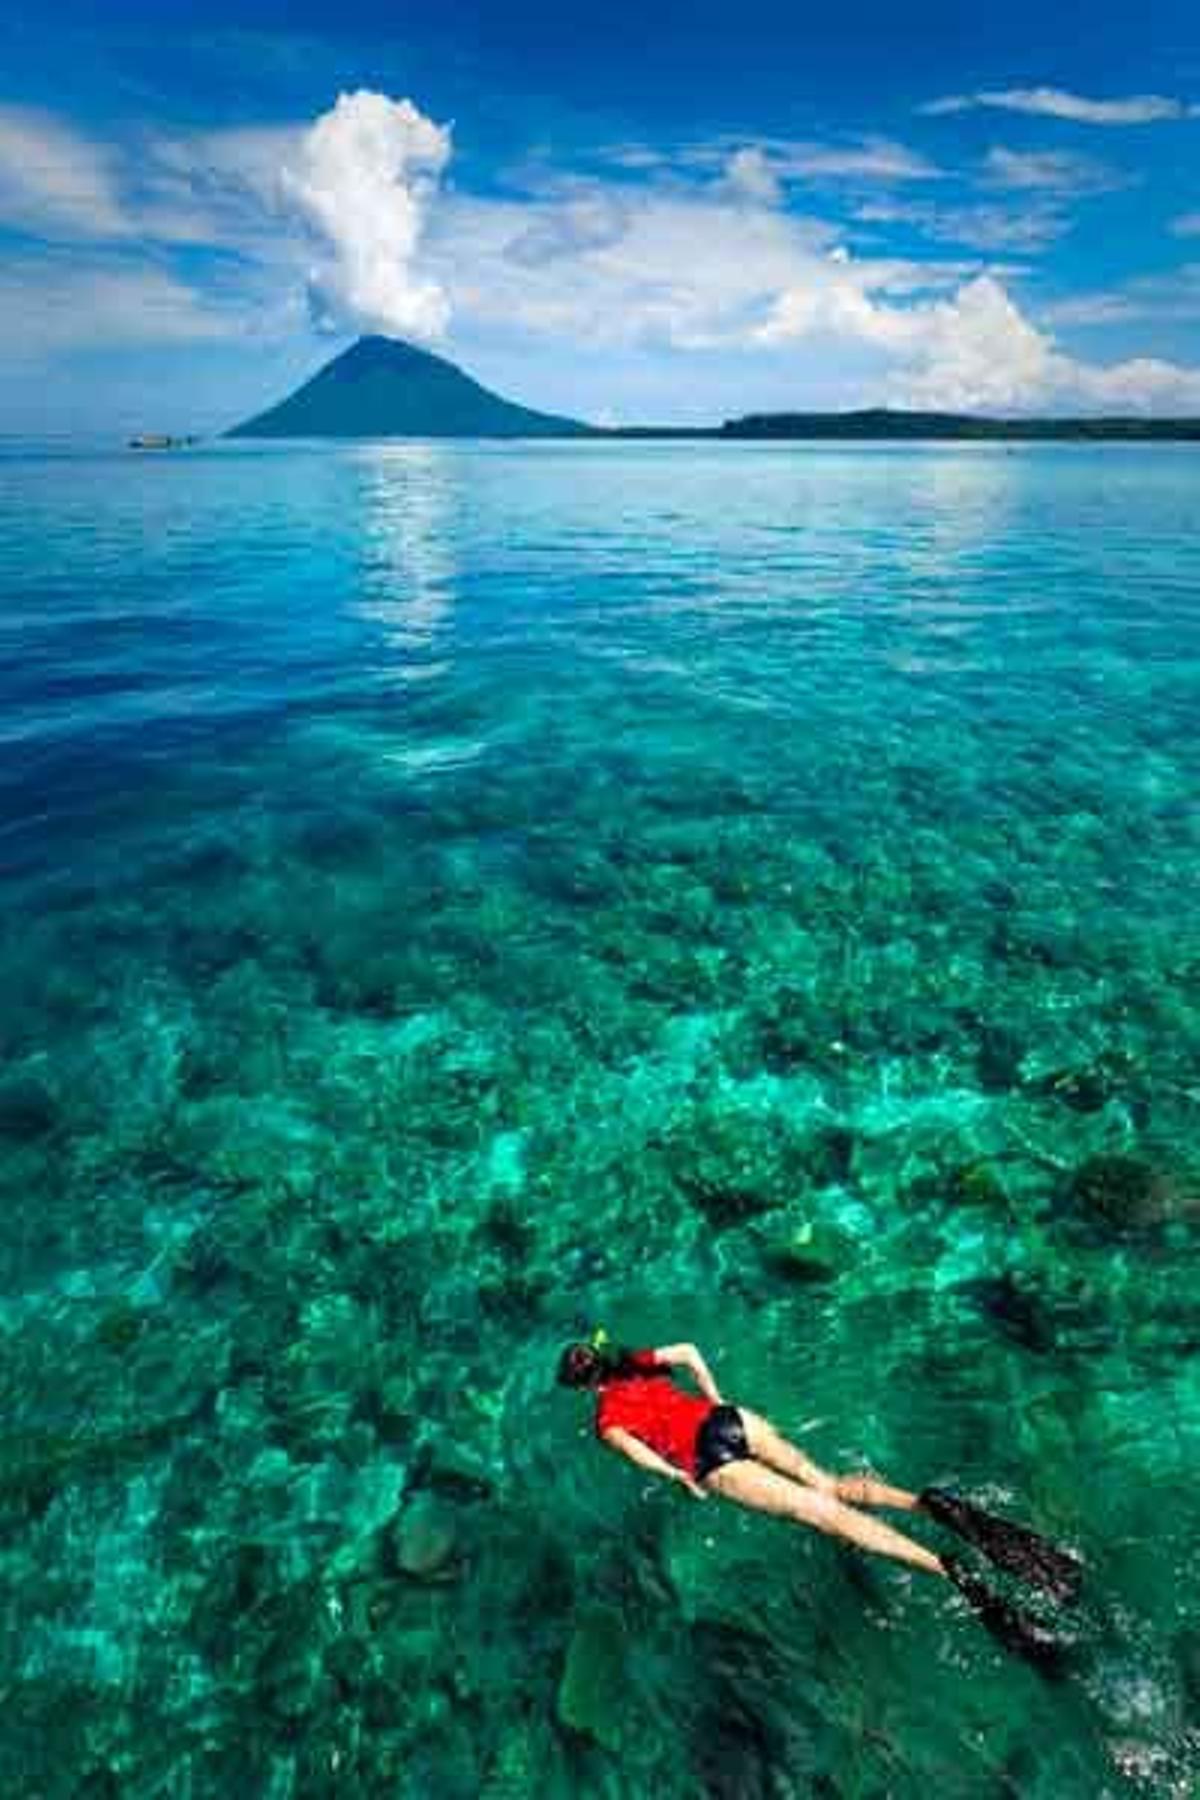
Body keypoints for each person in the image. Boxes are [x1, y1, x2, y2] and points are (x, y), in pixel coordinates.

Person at [557, 1337, 1080, 1667]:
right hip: (729, 1420)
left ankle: (948, 1569)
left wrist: (678, 1478)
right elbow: (690, 1351)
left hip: (710, 1462)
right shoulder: (636, 1364)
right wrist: (715, 1397)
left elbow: (638, 1455)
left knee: (828, 1516)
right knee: (828, 1484)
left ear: (584, 1388)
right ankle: (932, 1506)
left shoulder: (605, 1421)